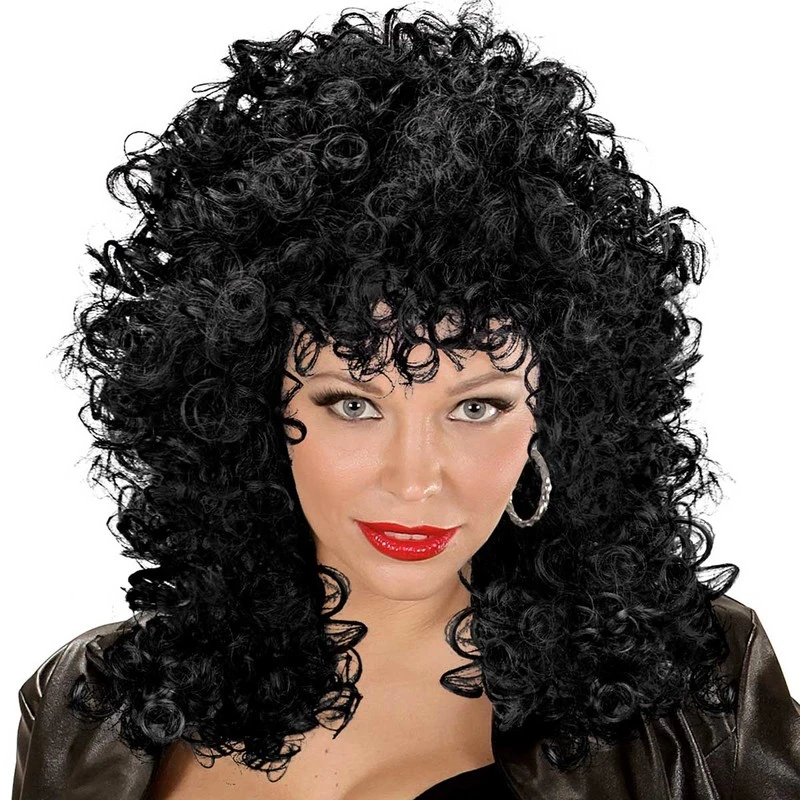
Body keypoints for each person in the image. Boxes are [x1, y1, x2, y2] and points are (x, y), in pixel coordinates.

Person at [13, 2, 800, 799]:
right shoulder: (91, 705)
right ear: (250, 410)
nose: (415, 479)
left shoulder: (692, 687)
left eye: (476, 408)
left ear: (556, 418)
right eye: (353, 405)